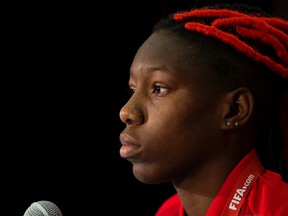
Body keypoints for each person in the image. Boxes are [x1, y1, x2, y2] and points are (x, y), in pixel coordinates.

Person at [118, 3, 288, 216]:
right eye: (133, 89)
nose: (127, 112)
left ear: (234, 110)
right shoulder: (167, 212)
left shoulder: (279, 208)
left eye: (158, 88)